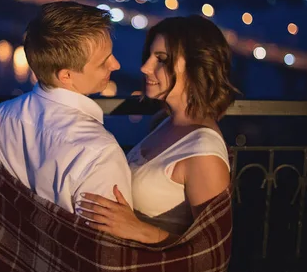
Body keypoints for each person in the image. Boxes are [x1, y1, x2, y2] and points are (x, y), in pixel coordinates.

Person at [78, 15, 238, 243]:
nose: (144, 68)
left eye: (161, 59)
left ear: (197, 66)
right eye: (149, 57)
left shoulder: (203, 153)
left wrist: (137, 229)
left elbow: (213, 247)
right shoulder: (165, 121)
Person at [0, 1, 132, 214]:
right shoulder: (99, 153)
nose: (116, 65)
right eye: (103, 62)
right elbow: (106, 245)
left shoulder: (0, 117)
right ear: (66, 75)